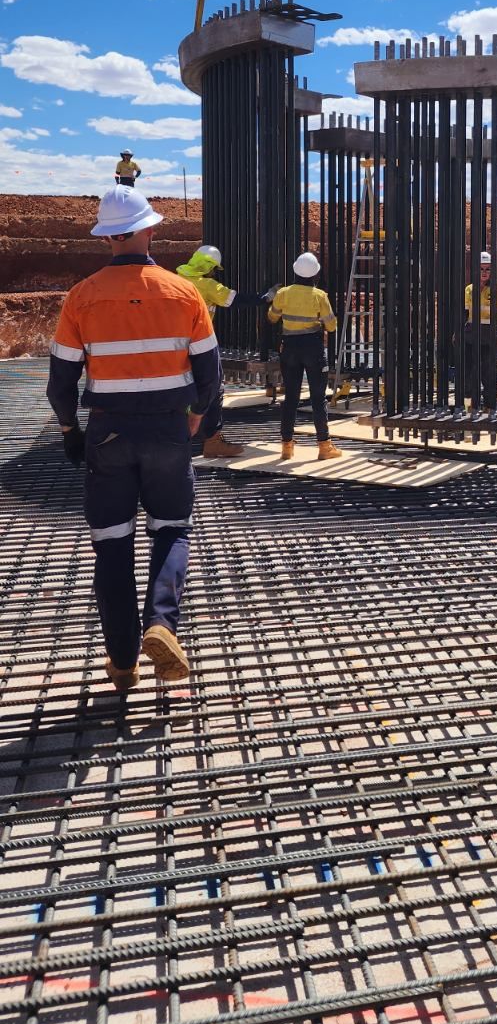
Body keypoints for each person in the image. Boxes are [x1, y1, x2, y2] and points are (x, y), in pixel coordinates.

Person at [46, 185, 220, 694]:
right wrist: (196, 415)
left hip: (109, 432)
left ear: (107, 238)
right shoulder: (184, 292)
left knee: (112, 546)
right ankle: (161, 624)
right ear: (148, 229)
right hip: (167, 428)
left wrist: (68, 431)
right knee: (171, 530)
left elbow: (61, 383)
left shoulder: (82, 296)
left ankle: (123, 663)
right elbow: (208, 375)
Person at [176, 244, 275, 459]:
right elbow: (235, 300)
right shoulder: (207, 285)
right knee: (213, 387)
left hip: (172, 346)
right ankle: (212, 441)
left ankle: (178, 437)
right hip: (198, 345)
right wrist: (265, 297)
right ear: (208, 267)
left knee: (180, 388)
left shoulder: (177, 278)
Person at [267, 252, 342, 461]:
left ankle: (287, 446)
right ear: (315, 274)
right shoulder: (320, 296)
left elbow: (272, 317)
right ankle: (324, 445)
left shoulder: (283, 293)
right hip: (313, 348)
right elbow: (331, 325)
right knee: (318, 398)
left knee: (291, 397)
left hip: (289, 348)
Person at [464, 250, 497, 411]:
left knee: (488, 373)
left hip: (489, 334)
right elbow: (464, 313)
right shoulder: (469, 290)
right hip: (471, 333)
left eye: (487, 269)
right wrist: (458, 332)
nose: (484, 272)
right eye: (481, 269)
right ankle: (472, 406)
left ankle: (490, 407)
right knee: (470, 371)